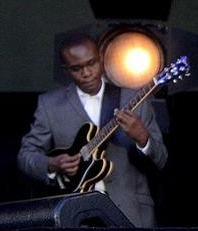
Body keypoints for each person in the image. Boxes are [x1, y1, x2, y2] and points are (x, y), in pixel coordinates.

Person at [17, 33, 168, 227]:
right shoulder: (49, 105)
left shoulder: (135, 100)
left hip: (131, 213)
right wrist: (51, 163)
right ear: (65, 70)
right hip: (74, 215)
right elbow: (26, 155)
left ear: (101, 57)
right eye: (76, 68)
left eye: (92, 63)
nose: (87, 73)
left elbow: (162, 160)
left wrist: (142, 137)